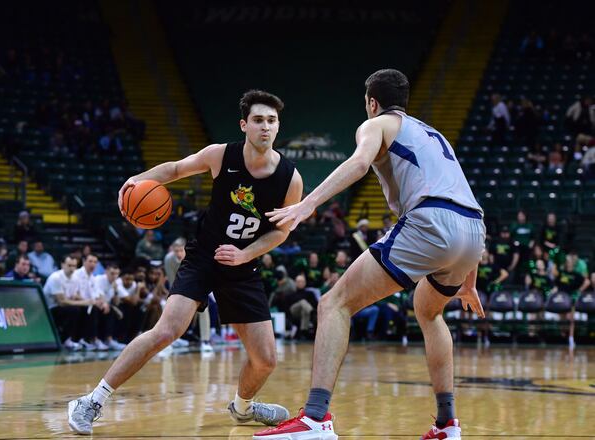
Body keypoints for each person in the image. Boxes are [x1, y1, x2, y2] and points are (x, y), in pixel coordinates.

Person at [262, 69, 485, 440]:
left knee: (334, 303)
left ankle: (315, 418)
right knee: (428, 310)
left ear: (371, 102)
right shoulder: (434, 134)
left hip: (430, 221)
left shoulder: (377, 124)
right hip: (473, 230)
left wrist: (308, 204)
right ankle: (447, 425)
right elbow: (463, 200)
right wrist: (469, 281)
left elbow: (359, 163)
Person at [68, 90, 303, 435]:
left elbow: (281, 232)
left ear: (278, 126)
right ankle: (91, 401)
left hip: (242, 265)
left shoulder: (290, 179)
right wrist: (137, 180)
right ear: (244, 125)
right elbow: (177, 169)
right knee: (167, 331)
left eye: (271, 120)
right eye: (258, 120)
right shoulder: (221, 155)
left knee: (266, 359)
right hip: (204, 257)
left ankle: (242, 408)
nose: (265, 127)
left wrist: (246, 254)